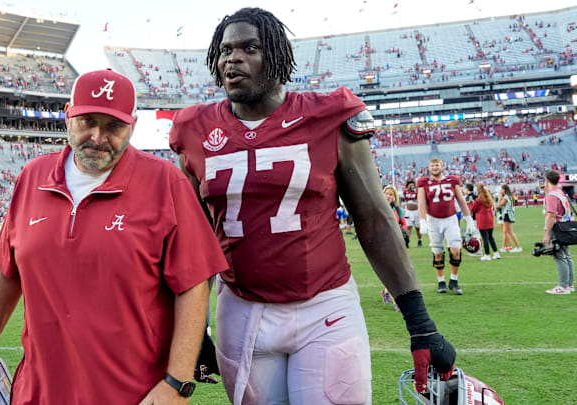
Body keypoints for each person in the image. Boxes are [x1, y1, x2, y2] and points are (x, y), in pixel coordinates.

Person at [169, 8, 455, 404]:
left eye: (249, 48)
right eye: (225, 50)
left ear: (277, 56)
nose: (232, 59)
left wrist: (419, 322)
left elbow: (373, 218)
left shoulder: (328, 114)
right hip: (241, 308)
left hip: (325, 306)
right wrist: (194, 330)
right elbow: (194, 243)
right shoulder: (192, 128)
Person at [0, 69, 227, 404]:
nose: (98, 137)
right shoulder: (33, 176)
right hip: (40, 390)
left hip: (134, 393)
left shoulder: (166, 183)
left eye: (114, 126)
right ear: (67, 115)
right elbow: (6, 269)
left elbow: (192, 285)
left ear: (132, 125)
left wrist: (177, 383)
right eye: (87, 121)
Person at [417, 158, 476, 295]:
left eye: (437, 165)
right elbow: (421, 203)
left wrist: (469, 219)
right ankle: (441, 281)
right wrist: (422, 220)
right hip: (433, 220)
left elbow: (461, 200)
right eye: (432, 165)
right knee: (438, 252)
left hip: (450, 219)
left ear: (442, 166)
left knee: (456, 249)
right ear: (429, 167)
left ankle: (454, 281)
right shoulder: (423, 182)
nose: (435, 167)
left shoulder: (452, 180)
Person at [542, 170, 575, 294]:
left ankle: (563, 286)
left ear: (547, 180)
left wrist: (546, 234)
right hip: (565, 226)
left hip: (557, 228)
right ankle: (569, 284)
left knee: (559, 256)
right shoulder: (560, 192)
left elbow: (551, 215)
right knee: (567, 257)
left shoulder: (552, 195)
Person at [381, 185, 406, 312]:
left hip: (396, 243)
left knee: (394, 271)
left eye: (391, 194)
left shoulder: (397, 210)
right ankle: (397, 301)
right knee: (393, 271)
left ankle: (386, 292)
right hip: (382, 243)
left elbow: (403, 223)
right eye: (387, 193)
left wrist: (404, 233)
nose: (389, 196)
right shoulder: (378, 207)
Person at [470, 185, 500, 261]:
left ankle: (487, 254)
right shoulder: (489, 198)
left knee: (485, 238)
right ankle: (496, 253)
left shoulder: (479, 200)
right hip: (490, 218)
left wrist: (470, 204)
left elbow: (473, 209)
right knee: (490, 237)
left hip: (482, 219)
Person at [497, 185, 522, 253]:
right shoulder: (509, 196)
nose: (500, 191)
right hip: (508, 214)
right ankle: (503, 248)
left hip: (507, 215)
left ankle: (518, 247)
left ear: (504, 190)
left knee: (510, 232)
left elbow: (499, 205)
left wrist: (499, 198)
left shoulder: (506, 197)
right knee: (505, 232)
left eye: (501, 189)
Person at [402, 180, 422, 247]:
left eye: (413, 185)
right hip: (408, 212)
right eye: (410, 185)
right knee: (409, 227)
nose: (412, 186)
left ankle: (420, 240)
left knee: (417, 227)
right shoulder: (405, 192)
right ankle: (407, 241)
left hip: (416, 211)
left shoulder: (417, 192)